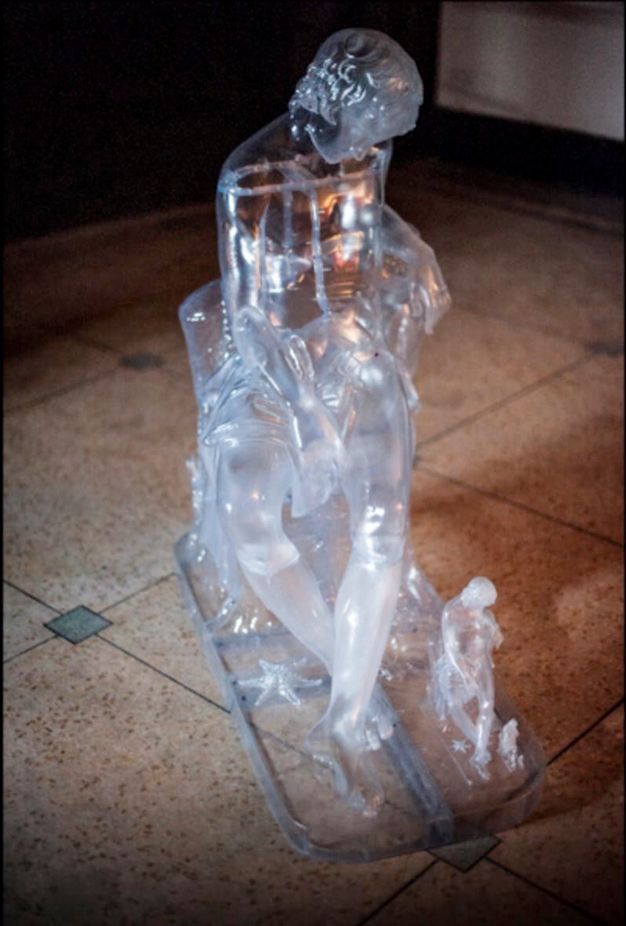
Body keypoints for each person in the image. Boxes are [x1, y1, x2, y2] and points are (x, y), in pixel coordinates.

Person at [183, 28, 450, 814]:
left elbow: (367, 218)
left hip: (353, 352)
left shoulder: (364, 153)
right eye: (377, 127)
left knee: (382, 525)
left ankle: (343, 715)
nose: (378, 147)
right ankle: (344, 661)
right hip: (271, 371)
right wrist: (311, 421)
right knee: (250, 515)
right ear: (342, 103)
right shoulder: (251, 176)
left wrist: (412, 244)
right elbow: (252, 321)